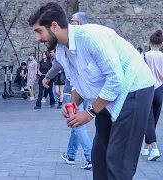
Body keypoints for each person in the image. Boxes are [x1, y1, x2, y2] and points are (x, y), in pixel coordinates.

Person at [28, 2, 156, 180]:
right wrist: (72, 103)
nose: (37, 38)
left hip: (134, 90)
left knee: (118, 160)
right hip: (106, 94)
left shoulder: (91, 37)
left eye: (39, 31)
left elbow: (115, 80)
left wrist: (89, 113)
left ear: (54, 26)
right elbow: (78, 83)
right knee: (100, 155)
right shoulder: (61, 51)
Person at [58, 12, 93, 170]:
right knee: (76, 122)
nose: (70, 24)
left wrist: (92, 112)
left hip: (79, 90)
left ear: (78, 23)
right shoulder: (78, 41)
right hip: (80, 90)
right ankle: (71, 155)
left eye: (72, 21)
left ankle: (89, 157)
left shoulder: (84, 41)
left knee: (78, 124)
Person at [141, 30, 163, 161]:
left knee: (147, 120)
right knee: (153, 119)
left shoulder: (144, 56)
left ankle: (154, 148)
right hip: (160, 89)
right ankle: (145, 148)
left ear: (150, 43)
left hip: (148, 88)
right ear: (161, 44)